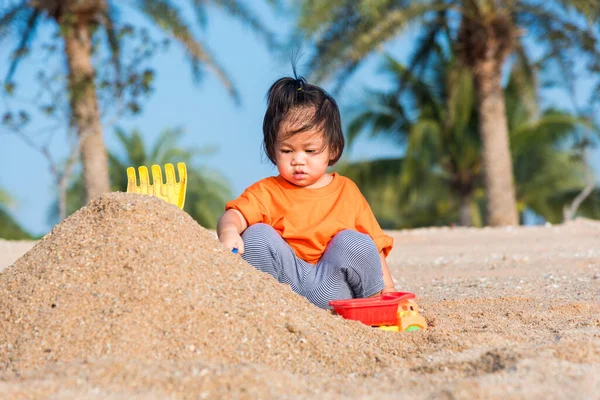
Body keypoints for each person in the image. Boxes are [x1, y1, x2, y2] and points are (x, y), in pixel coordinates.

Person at [217, 70, 396, 309]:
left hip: (332, 290)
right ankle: (258, 308)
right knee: (257, 235)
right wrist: (229, 231)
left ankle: (374, 305)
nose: (298, 160)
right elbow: (235, 214)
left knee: (355, 242)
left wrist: (390, 290)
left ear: (332, 149)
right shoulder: (268, 191)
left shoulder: (346, 192)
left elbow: (374, 247)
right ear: (272, 151)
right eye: (287, 151)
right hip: (282, 287)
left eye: (310, 151)